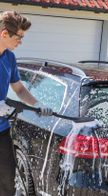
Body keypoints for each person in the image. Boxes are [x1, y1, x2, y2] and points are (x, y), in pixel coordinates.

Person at [0, 11, 53, 195]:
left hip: (1, 130)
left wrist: (37, 103)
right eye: (19, 37)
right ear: (4, 34)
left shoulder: (9, 58)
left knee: (7, 182)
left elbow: (19, 89)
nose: (20, 42)